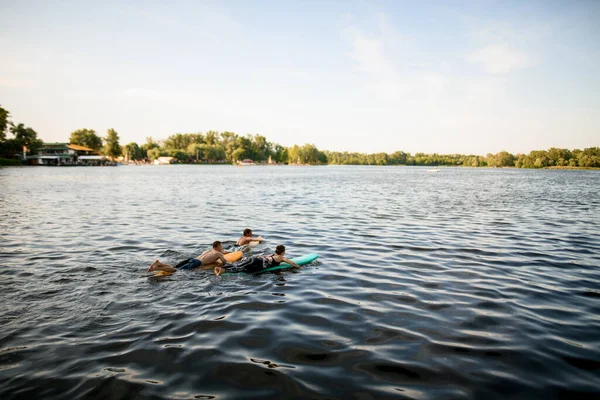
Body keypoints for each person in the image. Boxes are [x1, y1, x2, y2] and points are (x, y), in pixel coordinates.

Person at [148, 241, 230, 273]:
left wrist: (227, 252)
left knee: (175, 267)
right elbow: (224, 262)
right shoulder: (219, 254)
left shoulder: (208, 251)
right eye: (221, 246)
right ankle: (156, 268)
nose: (222, 247)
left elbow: (219, 252)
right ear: (219, 246)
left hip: (193, 259)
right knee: (176, 271)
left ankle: (159, 263)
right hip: (197, 263)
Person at [215, 245, 299, 276]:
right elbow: (292, 263)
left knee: (239, 265)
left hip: (256, 258)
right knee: (242, 268)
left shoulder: (272, 254)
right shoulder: (281, 257)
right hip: (258, 263)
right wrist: (299, 267)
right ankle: (223, 270)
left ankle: (221, 268)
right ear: (283, 252)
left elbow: (261, 256)